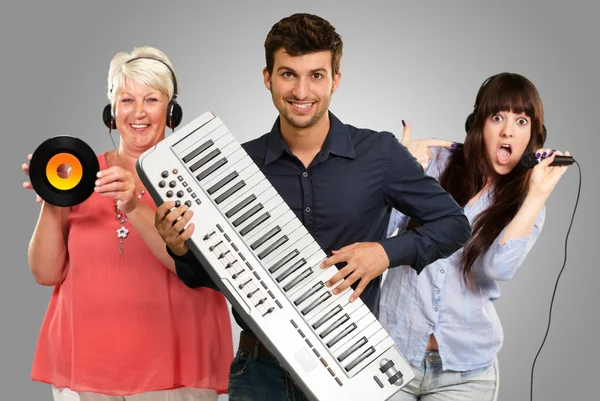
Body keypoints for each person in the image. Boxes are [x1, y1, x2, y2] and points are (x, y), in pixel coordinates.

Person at [154, 13, 471, 401]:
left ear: (335, 80)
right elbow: (209, 277)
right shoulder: (235, 165)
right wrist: (179, 247)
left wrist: (385, 254)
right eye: (288, 74)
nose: (302, 91)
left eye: (316, 76)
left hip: (351, 371)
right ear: (267, 77)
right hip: (259, 372)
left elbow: (455, 224)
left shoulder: (380, 154)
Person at [22, 46, 233, 401]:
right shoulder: (79, 172)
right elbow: (45, 274)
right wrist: (53, 199)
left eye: (151, 99)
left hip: (176, 368)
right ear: (111, 111)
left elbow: (203, 272)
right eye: (126, 100)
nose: (138, 113)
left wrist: (133, 203)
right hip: (84, 366)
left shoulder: (200, 176)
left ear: (171, 109)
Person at [379, 72, 570, 400]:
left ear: (534, 135)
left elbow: (498, 269)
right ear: (478, 123)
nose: (508, 130)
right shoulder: (435, 164)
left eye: (521, 121)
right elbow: (379, 232)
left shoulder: (528, 202)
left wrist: (536, 196)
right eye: (498, 117)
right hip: (390, 357)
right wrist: (396, 175)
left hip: (467, 375)